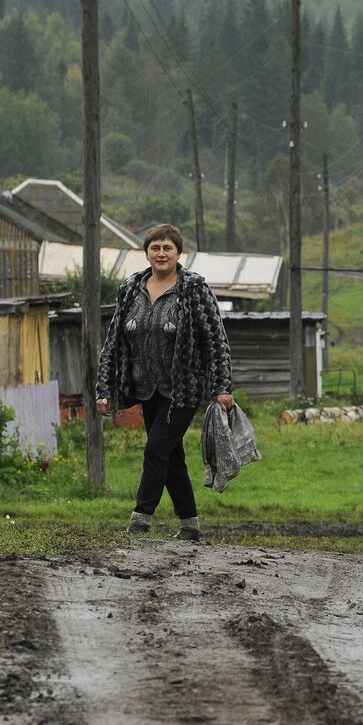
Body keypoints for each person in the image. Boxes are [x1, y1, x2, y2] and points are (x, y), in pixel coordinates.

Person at [96, 224, 235, 542]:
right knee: (171, 456)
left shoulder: (194, 288)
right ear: (146, 252)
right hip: (146, 387)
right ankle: (189, 523)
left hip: (183, 388)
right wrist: (104, 389)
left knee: (155, 449)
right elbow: (114, 341)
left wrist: (222, 386)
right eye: (155, 247)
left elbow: (215, 340)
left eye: (167, 248)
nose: (161, 253)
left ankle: (140, 518)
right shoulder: (131, 287)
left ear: (178, 253)